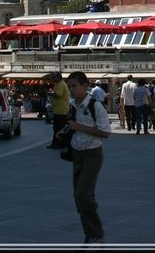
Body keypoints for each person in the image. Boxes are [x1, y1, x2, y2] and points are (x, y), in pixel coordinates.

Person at [59, 71, 111, 244]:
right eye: (70, 87)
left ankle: (96, 232)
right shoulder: (72, 105)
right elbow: (73, 125)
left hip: (92, 153)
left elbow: (105, 132)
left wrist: (78, 126)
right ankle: (90, 231)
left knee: (83, 195)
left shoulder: (95, 106)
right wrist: (66, 130)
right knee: (79, 196)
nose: (72, 90)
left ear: (85, 86)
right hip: (77, 153)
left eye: (74, 86)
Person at [46, 72, 70, 149]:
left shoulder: (61, 84)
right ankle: (55, 143)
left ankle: (59, 144)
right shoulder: (57, 84)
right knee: (57, 128)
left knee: (59, 128)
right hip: (58, 109)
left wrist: (49, 93)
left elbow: (58, 95)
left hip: (61, 110)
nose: (51, 79)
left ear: (58, 77)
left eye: (53, 77)